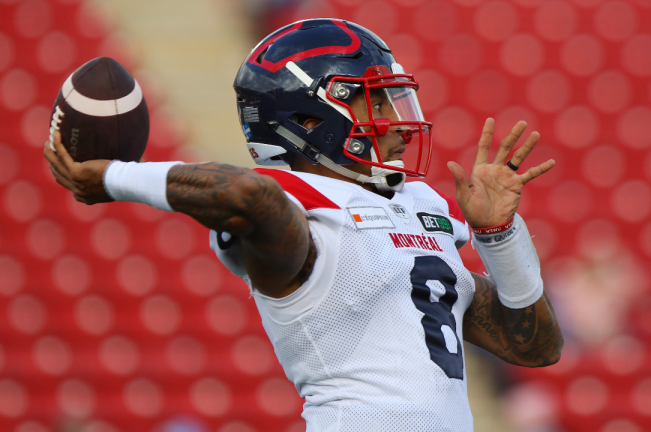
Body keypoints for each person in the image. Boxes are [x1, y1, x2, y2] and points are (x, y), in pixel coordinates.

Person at [45, 19, 563, 432]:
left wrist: (502, 238)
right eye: (375, 99)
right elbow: (250, 195)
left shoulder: (414, 205)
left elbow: (534, 347)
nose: (398, 120)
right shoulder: (295, 207)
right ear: (310, 120)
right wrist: (115, 176)